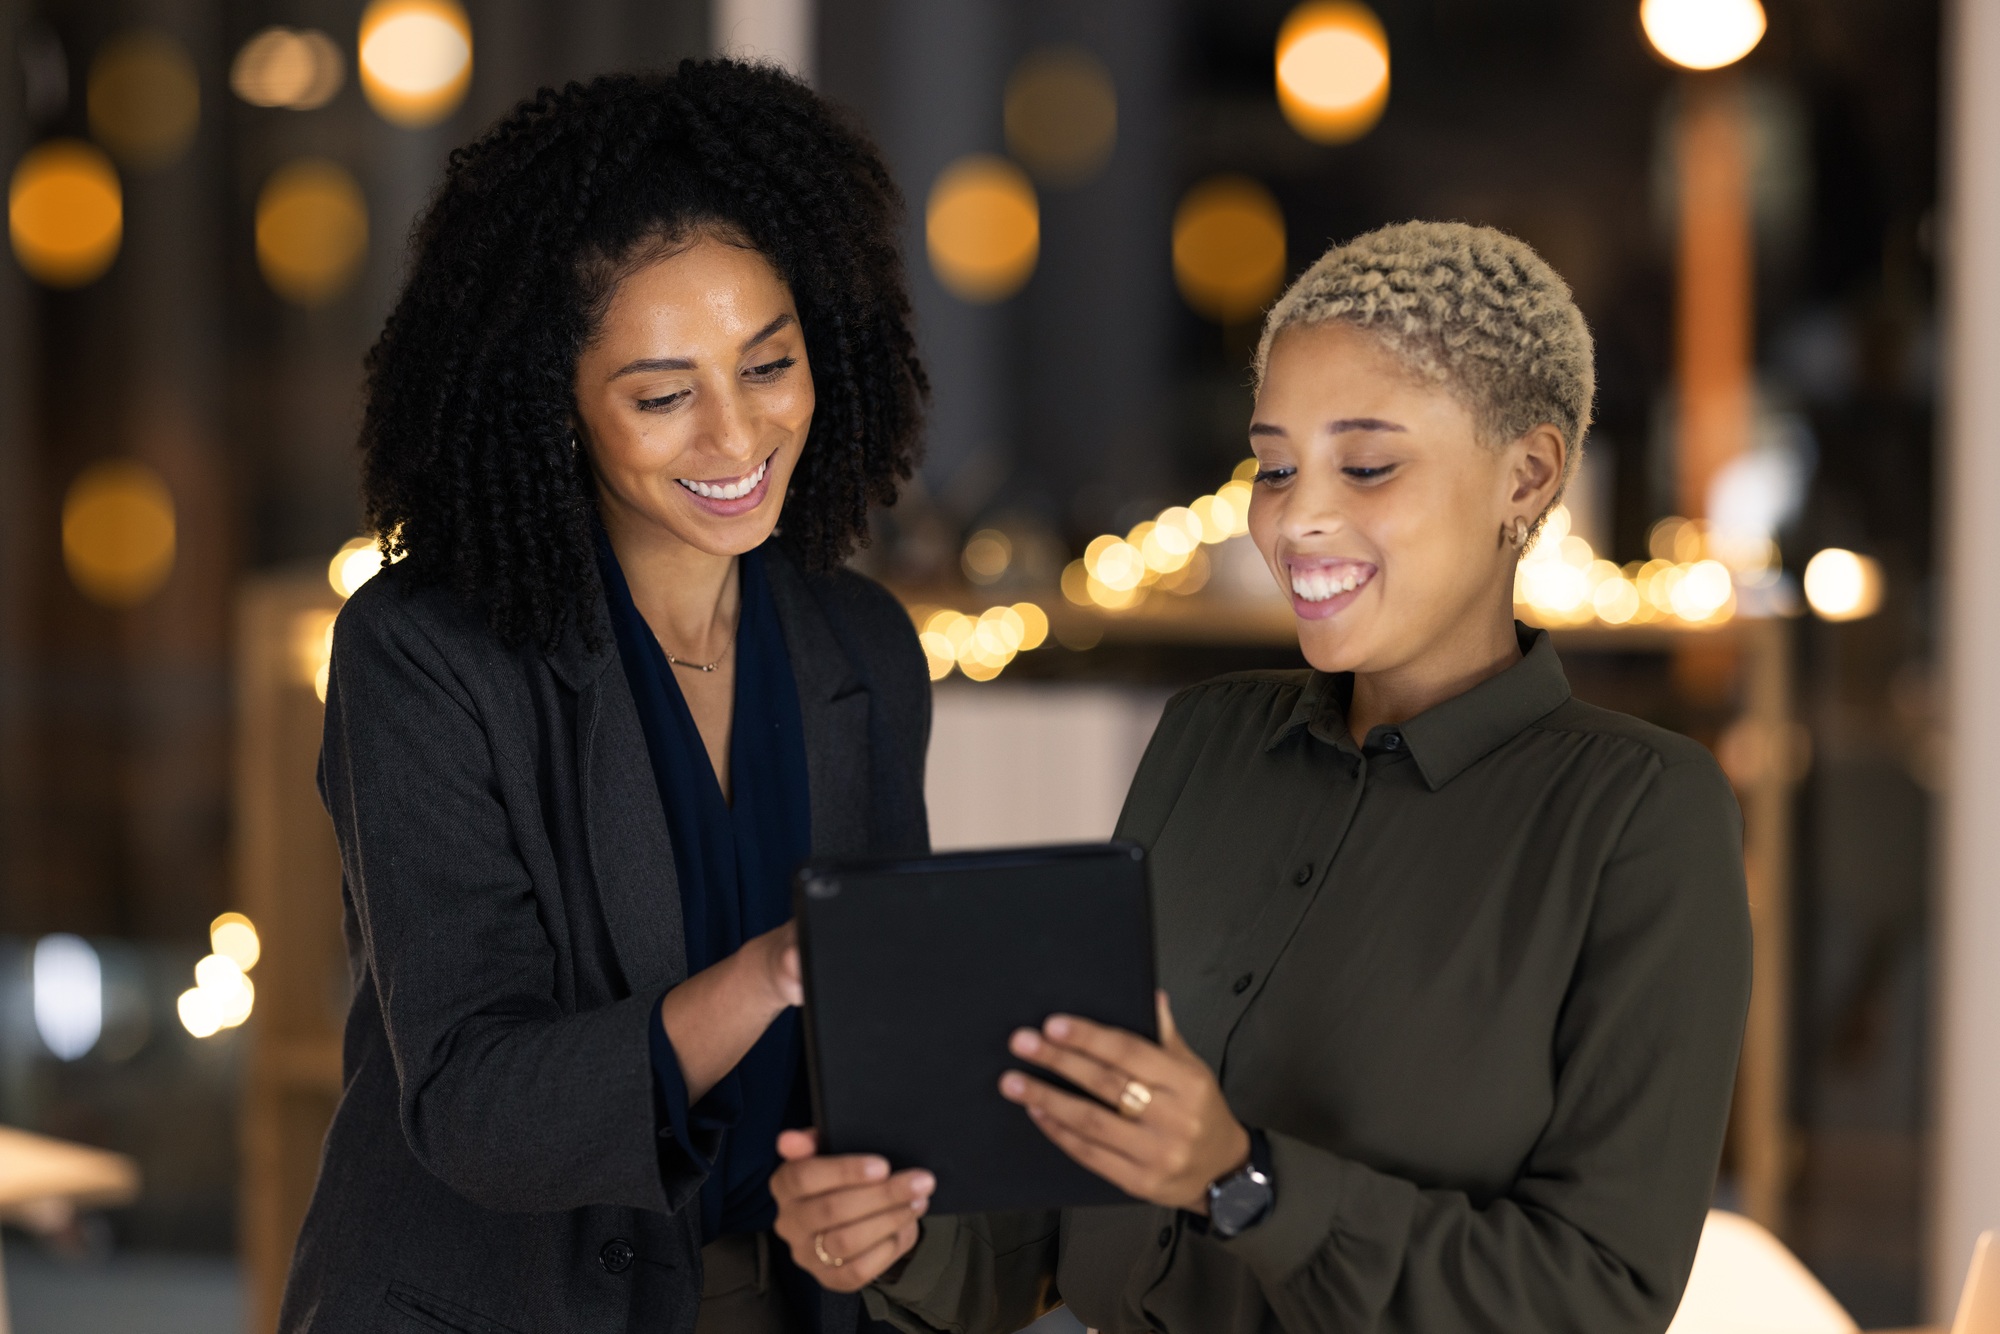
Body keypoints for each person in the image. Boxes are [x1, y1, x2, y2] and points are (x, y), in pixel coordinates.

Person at [770, 221, 1754, 1334]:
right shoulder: (1206, 740)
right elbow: (1058, 1233)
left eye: (1367, 464)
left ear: (1526, 474)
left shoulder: (1637, 813)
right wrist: (895, 1231)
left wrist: (1240, 1180)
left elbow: (1595, 1300)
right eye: (1275, 465)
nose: (1298, 517)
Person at [283, 62, 931, 1334]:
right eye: (659, 395)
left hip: (779, 1299)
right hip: (494, 1301)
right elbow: (475, 1102)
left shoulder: (858, 645)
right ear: (554, 408)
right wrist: (770, 975)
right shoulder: (422, 654)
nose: (736, 438)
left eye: (769, 364)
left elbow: (888, 1048)